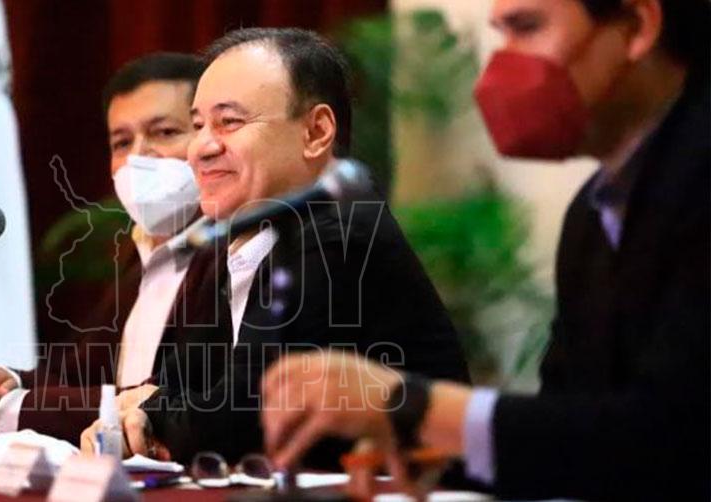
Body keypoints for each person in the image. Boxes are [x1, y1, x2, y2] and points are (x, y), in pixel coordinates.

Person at [261, 0, 710, 499]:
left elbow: (676, 437)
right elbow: (578, 437)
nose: (501, 67)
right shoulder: (592, 214)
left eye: (527, 27)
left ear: (638, 26)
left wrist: (412, 407)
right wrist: (431, 451)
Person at [80, 28, 470, 465]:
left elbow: (249, 415)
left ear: (316, 132)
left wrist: (151, 414)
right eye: (197, 125)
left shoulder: (340, 230)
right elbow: (185, 382)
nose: (200, 148)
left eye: (229, 122)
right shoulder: (257, 236)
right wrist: (138, 409)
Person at [0, 52, 212, 443]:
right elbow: (74, 376)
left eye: (164, 132)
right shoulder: (139, 261)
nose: (138, 157)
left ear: (208, 140)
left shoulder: (231, 256)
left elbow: (169, 397)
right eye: (122, 142)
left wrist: (13, 410)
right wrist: (3, 382)